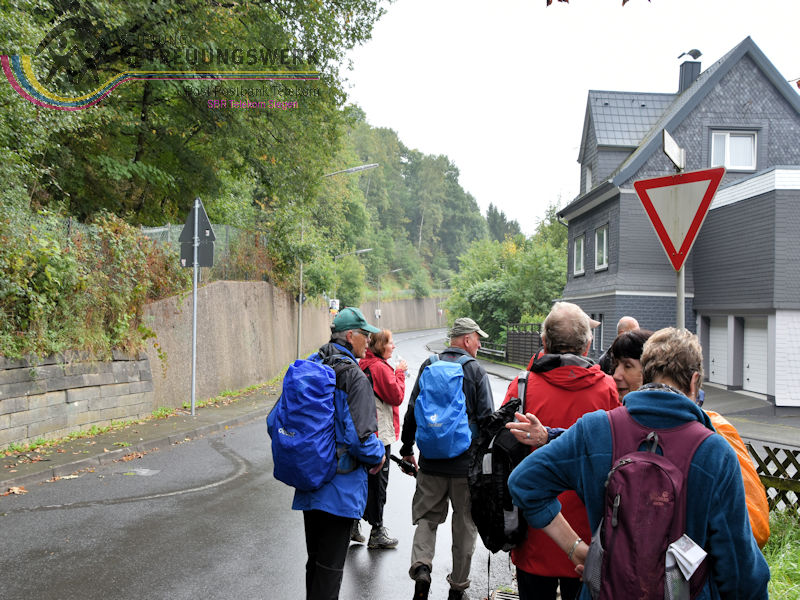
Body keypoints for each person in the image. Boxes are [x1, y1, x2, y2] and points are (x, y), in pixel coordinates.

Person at [507, 328, 770, 600]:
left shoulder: (595, 429)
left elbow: (524, 482)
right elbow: (739, 569)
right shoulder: (715, 452)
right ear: (694, 382)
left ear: (645, 375)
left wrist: (576, 549)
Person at [501, 301, 619, 600]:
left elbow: (503, 450)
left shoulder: (522, 386)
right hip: (588, 535)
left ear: (544, 342)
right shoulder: (607, 389)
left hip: (534, 528)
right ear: (587, 345)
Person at [292, 306, 387, 600]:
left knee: (315, 563)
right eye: (364, 335)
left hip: (309, 479)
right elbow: (361, 440)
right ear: (350, 336)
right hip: (340, 486)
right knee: (330, 569)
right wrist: (379, 455)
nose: (368, 341)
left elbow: (279, 421)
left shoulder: (310, 364)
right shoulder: (354, 377)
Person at [400, 317, 495, 600]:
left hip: (430, 461)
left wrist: (407, 448)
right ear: (466, 339)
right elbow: (488, 420)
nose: (479, 345)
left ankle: (421, 568)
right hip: (465, 466)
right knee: (464, 524)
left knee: (426, 519)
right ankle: (457, 587)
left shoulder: (428, 365)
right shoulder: (474, 370)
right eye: (477, 339)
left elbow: (413, 409)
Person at [355, 328, 408, 549]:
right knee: (379, 484)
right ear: (380, 346)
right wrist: (400, 373)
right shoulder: (380, 367)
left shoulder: (363, 364)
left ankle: (353, 524)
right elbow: (396, 396)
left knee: (361, 480)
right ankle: (377, 531)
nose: (393, 346)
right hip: (379, 433)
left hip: (363, 431)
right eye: (390, 342)